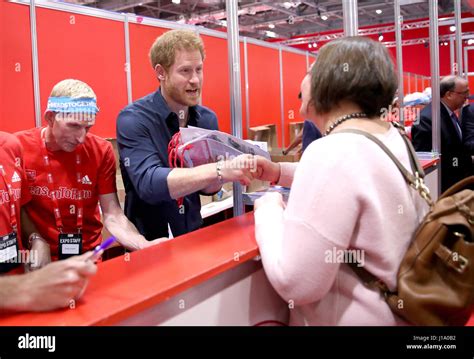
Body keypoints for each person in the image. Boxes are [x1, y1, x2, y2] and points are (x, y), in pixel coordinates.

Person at [252, 37, 428, 325]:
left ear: (328, 83)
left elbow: (297, 282)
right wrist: (278, 172)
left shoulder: (332, 151)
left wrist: (268, 209)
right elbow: (357, 180)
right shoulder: (390, 135)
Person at [116, 29, 255, 240]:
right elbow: (149, 183)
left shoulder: (207, 119)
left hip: (192, 237)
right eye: (185, 71)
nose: (195, 80)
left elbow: (207, 189)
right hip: (148, 245)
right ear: (161, 72)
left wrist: (223, 174)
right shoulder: (133, 120)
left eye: (199, 69)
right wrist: (218, 169)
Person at [16, 79, 163, 263]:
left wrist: (144, 245)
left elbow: (113, 215)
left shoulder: (100, 151)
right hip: (40, 262)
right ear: (51, 117)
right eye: (74, 126)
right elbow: (15, 208)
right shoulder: (18, 148)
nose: (81, 138)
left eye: (87, 127)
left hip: (88, 259)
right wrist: (35, 239)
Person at [0, 131, 96, 312]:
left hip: (22, 284)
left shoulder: (11, 145)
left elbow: (18, 205)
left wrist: (36, 239)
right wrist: (24, 288)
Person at [411, 76, 472, 192]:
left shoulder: (449, 113)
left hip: (458, 185)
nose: (467, 96)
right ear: (449, 94)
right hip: (445, 189)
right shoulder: (428, 119)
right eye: (464, 93)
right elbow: (427, 162)